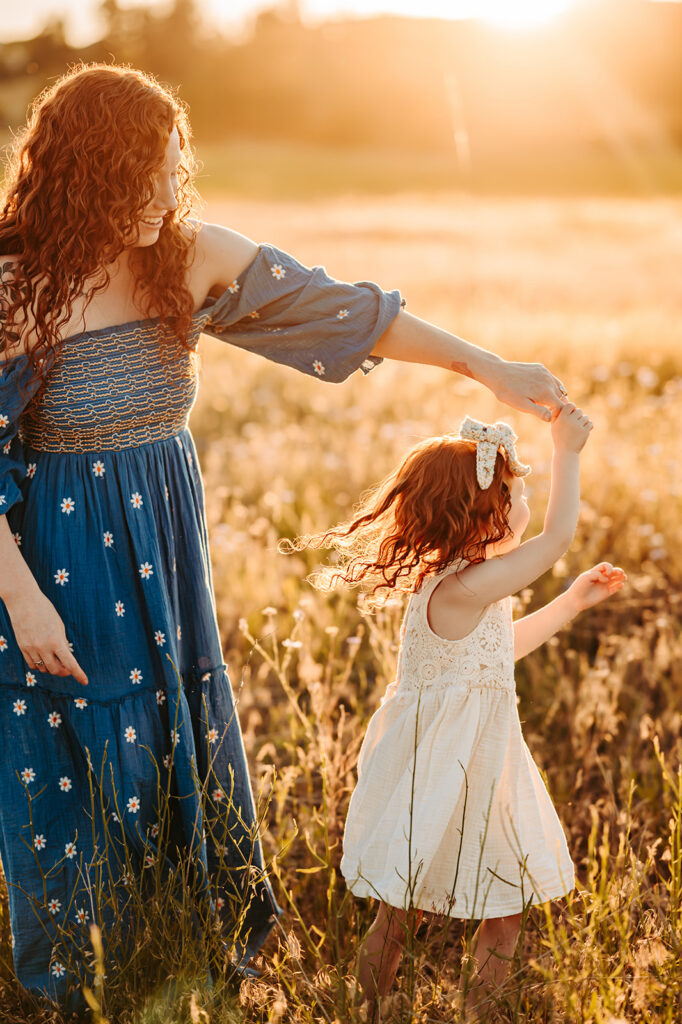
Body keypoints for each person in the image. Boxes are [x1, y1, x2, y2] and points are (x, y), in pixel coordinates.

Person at [0, 63, 568, 1013]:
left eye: (174, 171)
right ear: (88, 171)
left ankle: (190, 940)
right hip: (53, 555)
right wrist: (18, 594)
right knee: (88, 743)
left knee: (176, 731)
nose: (165, 195)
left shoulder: (187, 257)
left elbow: (344, 312)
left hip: (164, 538)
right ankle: (95, 971)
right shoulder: (18, 292)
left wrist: (483, 365)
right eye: (143, 174)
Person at [298, 410, 626, 1018]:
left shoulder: (463, 582)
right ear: (488, 514)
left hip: (473, 766)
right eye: (517, 492)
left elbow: (497, 654)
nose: (524, 502)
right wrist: (568, 452)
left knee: (484, 908)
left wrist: (572, 603)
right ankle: (368, 1009)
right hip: (446, 771)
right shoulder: (463, 588)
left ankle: (471, 1012)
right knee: (407, 912)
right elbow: (556, 541)